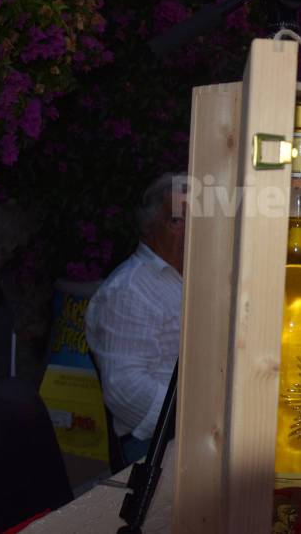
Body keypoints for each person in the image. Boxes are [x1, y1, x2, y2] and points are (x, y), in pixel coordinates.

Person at [85, 172, 185, 464]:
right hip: (156, 443)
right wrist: (194, 419)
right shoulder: (128, 290)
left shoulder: (195, 276)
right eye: (177, 220)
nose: (191, 230)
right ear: (150, 226)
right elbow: (123, 387)